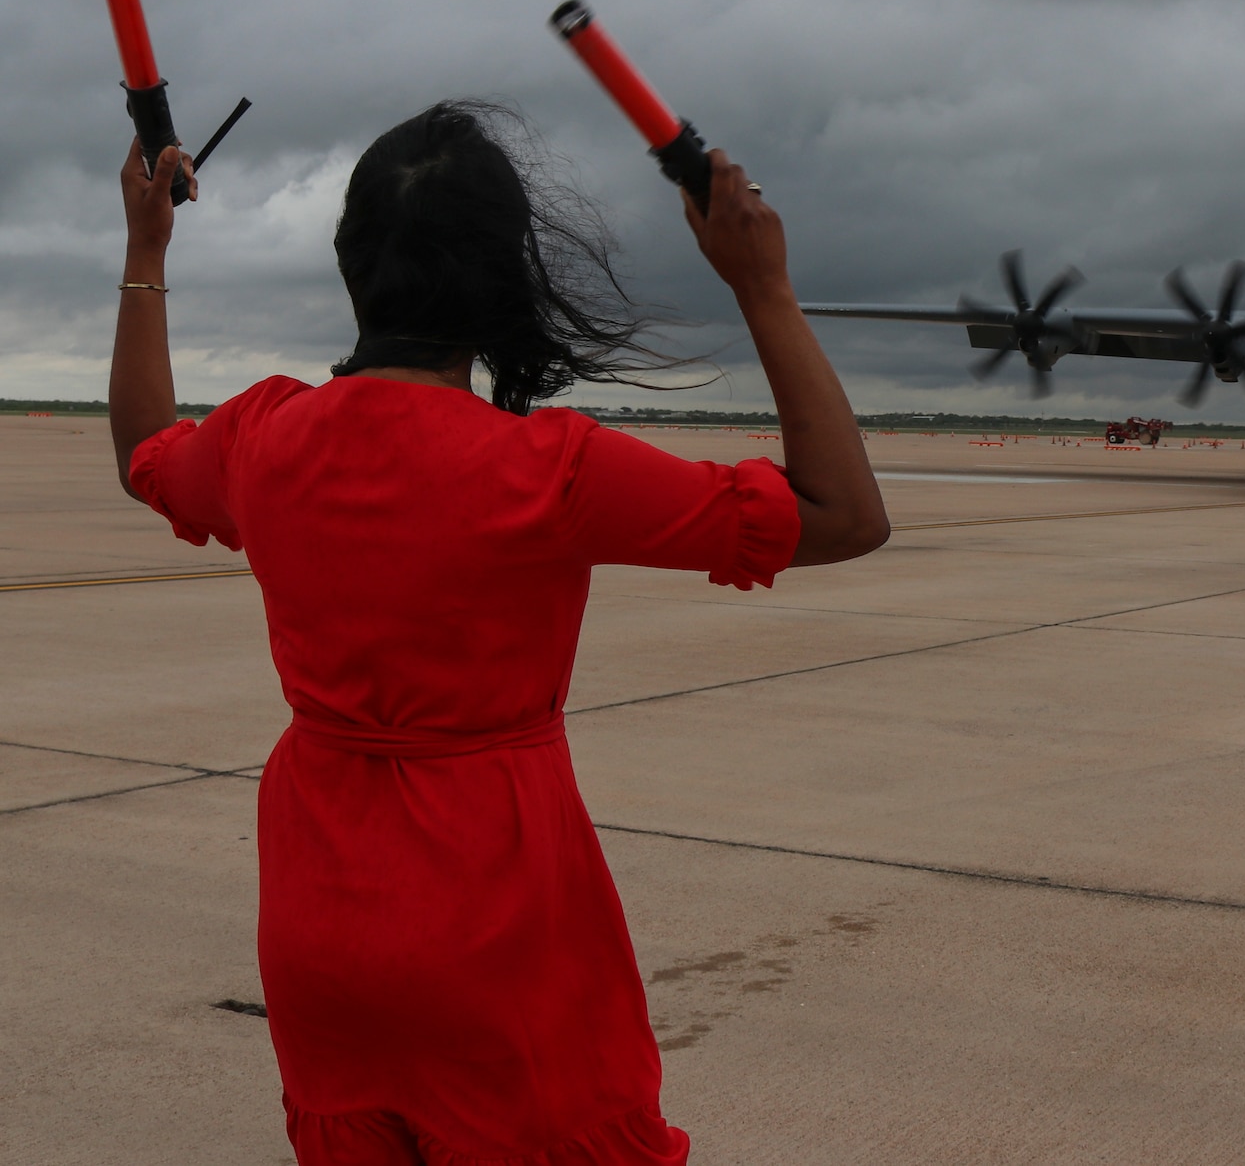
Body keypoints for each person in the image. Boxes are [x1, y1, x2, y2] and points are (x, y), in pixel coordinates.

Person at [108, 103, 889, 1165]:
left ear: (353, 264)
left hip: (318, 917)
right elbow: (843, 514)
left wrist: (146, 248)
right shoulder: (548, 469)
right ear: (499, 276)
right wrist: (762, 285)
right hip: (495, 919)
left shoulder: (262, 436)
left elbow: (149, 448)